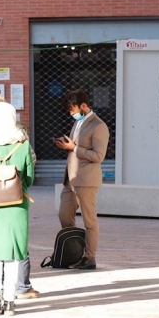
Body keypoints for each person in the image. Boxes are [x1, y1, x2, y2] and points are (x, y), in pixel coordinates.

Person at [0, 94, 40, 299]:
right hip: (17, 203)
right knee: (15, 251)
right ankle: (11, 299)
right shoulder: (23, 145)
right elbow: (29, 178)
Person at [54, 89, 109, 270]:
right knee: (64, 214)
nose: (71, 113)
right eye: (69, 110)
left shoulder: (99, 126)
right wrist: (67, 146)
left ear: (84, 106)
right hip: (70, 179)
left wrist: (75, 148)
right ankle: (73, 251)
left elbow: (98, 156)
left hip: (86, 180)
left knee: (89, 220)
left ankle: (89, 257)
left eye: (73, 109)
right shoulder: (78, 123)